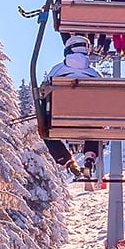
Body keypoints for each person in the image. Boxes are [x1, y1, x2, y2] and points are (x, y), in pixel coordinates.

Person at [44, 35, 103, 178]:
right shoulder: (94, 74)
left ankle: (67, 161)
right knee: (95, 126)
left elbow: (44, 92)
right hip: (89, 122)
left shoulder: (57, 71)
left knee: (46, 131)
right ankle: (89, 157)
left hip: (60, 120)